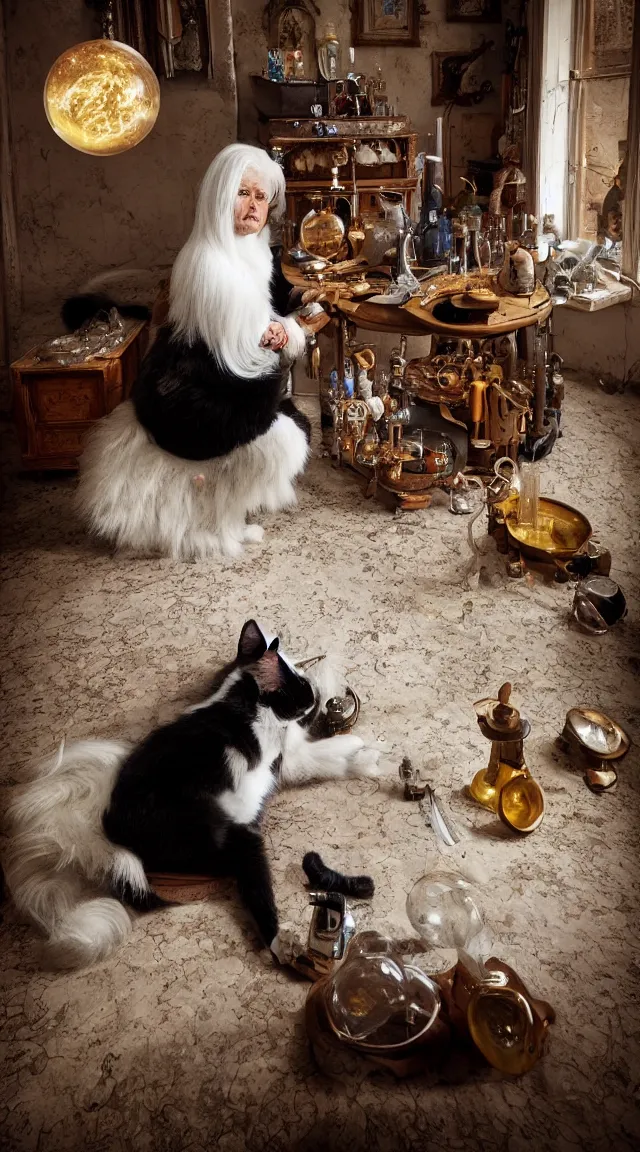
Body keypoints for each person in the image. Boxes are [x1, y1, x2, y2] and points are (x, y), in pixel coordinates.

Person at [75, 143, 311, 561]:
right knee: (285, 439)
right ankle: (212, 525)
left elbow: (258, 327)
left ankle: (227, 517)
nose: (254, 206)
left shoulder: (250, 253)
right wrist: (286, 332)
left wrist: (282, 324)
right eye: (243, 193)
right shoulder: (208, 262)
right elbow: (247, 349)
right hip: (188, 399)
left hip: (212, 385)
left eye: (261, 196)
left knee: (282, 422)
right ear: (220, 198)